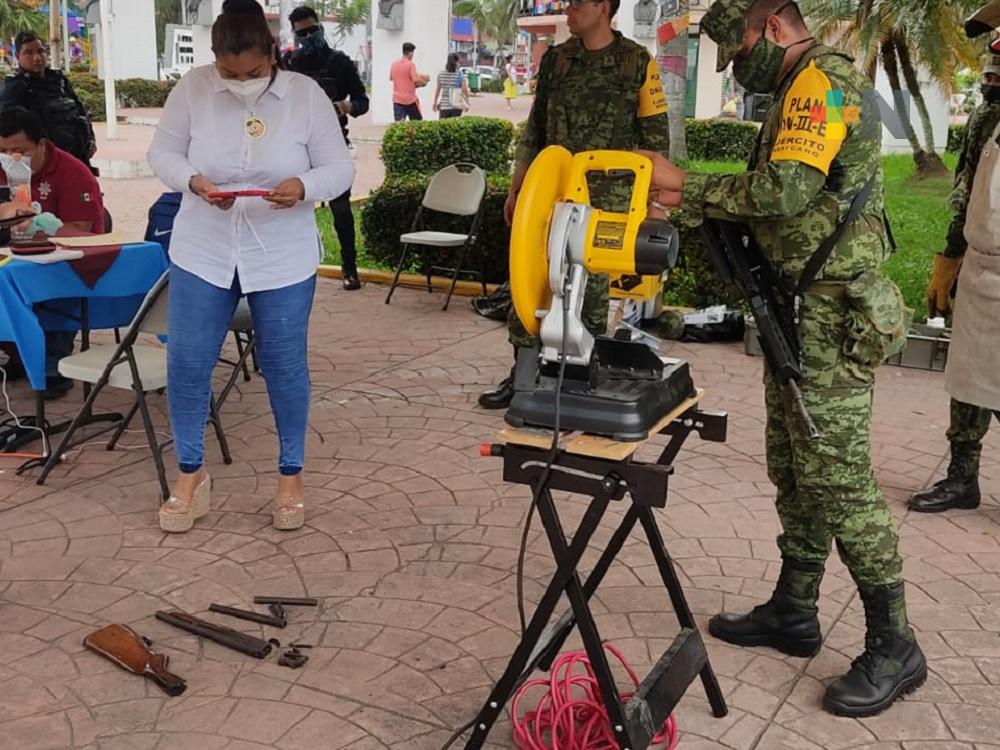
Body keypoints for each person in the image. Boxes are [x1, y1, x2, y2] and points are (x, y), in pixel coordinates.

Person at [639, 0, 925, 718]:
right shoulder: (798, 86)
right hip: (798, 312)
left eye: (739, 53)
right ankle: (795, 609)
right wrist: (689, 198)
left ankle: (896, 642)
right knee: (795, 467)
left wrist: (685, 184)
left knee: (839, 478)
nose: (738, 69)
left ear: (772, 27)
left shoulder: (822, 83)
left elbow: (785, 191)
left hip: (832, 316)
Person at [147, 0, 354, 533]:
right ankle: (190, 476)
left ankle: (290, 478)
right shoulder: (192, 89)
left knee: (284, 364)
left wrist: (304, 186)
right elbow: (162, 155)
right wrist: (193, 181)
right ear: (214, 59)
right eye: (229, 73)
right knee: (187, 361)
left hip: (281, 253)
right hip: (204, 248)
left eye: (253, 72)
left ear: (272, 54)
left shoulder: (305, 95)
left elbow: (340, 168)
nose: (241, 82)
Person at [478, 0, 671, 409]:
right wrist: (518, 188)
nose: (569, 9)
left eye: (578, 2)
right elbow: (535, 130)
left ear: (602, 7)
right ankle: (524, 376)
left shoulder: (637, 62)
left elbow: (656, 140)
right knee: (532, 284)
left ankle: (583, 379)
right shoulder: (557, 60)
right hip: (552, 194)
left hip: (607, 199)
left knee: (592, 292)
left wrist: (656, 209)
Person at [910, 58, 1000, 514]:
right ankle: (962, 479)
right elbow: (966, 191)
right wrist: (950, 257)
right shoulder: (987, 120)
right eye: (989, 76)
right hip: (980, 266)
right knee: (966, 379)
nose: (991, 84)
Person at [0, 106, 106, 399]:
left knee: (52, 291)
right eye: (3, 151)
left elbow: (81, 230)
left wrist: (38, 224)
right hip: (13, 255)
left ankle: (52, 364)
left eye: (20, 151)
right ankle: (19, 353)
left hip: (65, 261)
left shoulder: (72, 172)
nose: (11, 158)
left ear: (42, 144)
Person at [284, 5, 369, 291]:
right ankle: (292, 268)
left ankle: (349, 268)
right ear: (295, 34)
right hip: (295, 146)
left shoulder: (340, 62)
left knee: (341, 211)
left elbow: (362, 101)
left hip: (333, 145)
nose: (309, 37)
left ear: (320, 27)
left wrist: (346, 106)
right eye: (303, 33)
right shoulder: (289, 64)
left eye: (313, 30)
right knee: (290, 210)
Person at [1, 31, 96, 170]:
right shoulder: (15, 88)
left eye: (41, 51)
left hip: (77, 157)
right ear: (17, 56)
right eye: (28, 53)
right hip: (45, 165)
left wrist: (91, 139)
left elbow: (80, 110)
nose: (37, 57)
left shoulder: (60, 81)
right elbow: (8, 131)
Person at [390, 42, 429, 121]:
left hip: (397, 99)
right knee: (417, 123)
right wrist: (424, 82)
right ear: (411, 53)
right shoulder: (411, 64)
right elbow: (415, 79)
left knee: (399, 123)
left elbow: (391, 78)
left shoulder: (394, 64)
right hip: (410, 100)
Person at [434, 53, 470, 119]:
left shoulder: (441, 74)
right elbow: (464, 90)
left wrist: (435, 102)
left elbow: (438, 90)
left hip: (444, 106)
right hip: (456, 106)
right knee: (454, 125)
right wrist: (467, 102)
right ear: (456, 62)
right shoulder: (460, 74)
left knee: (443, 125)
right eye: (459, 62)